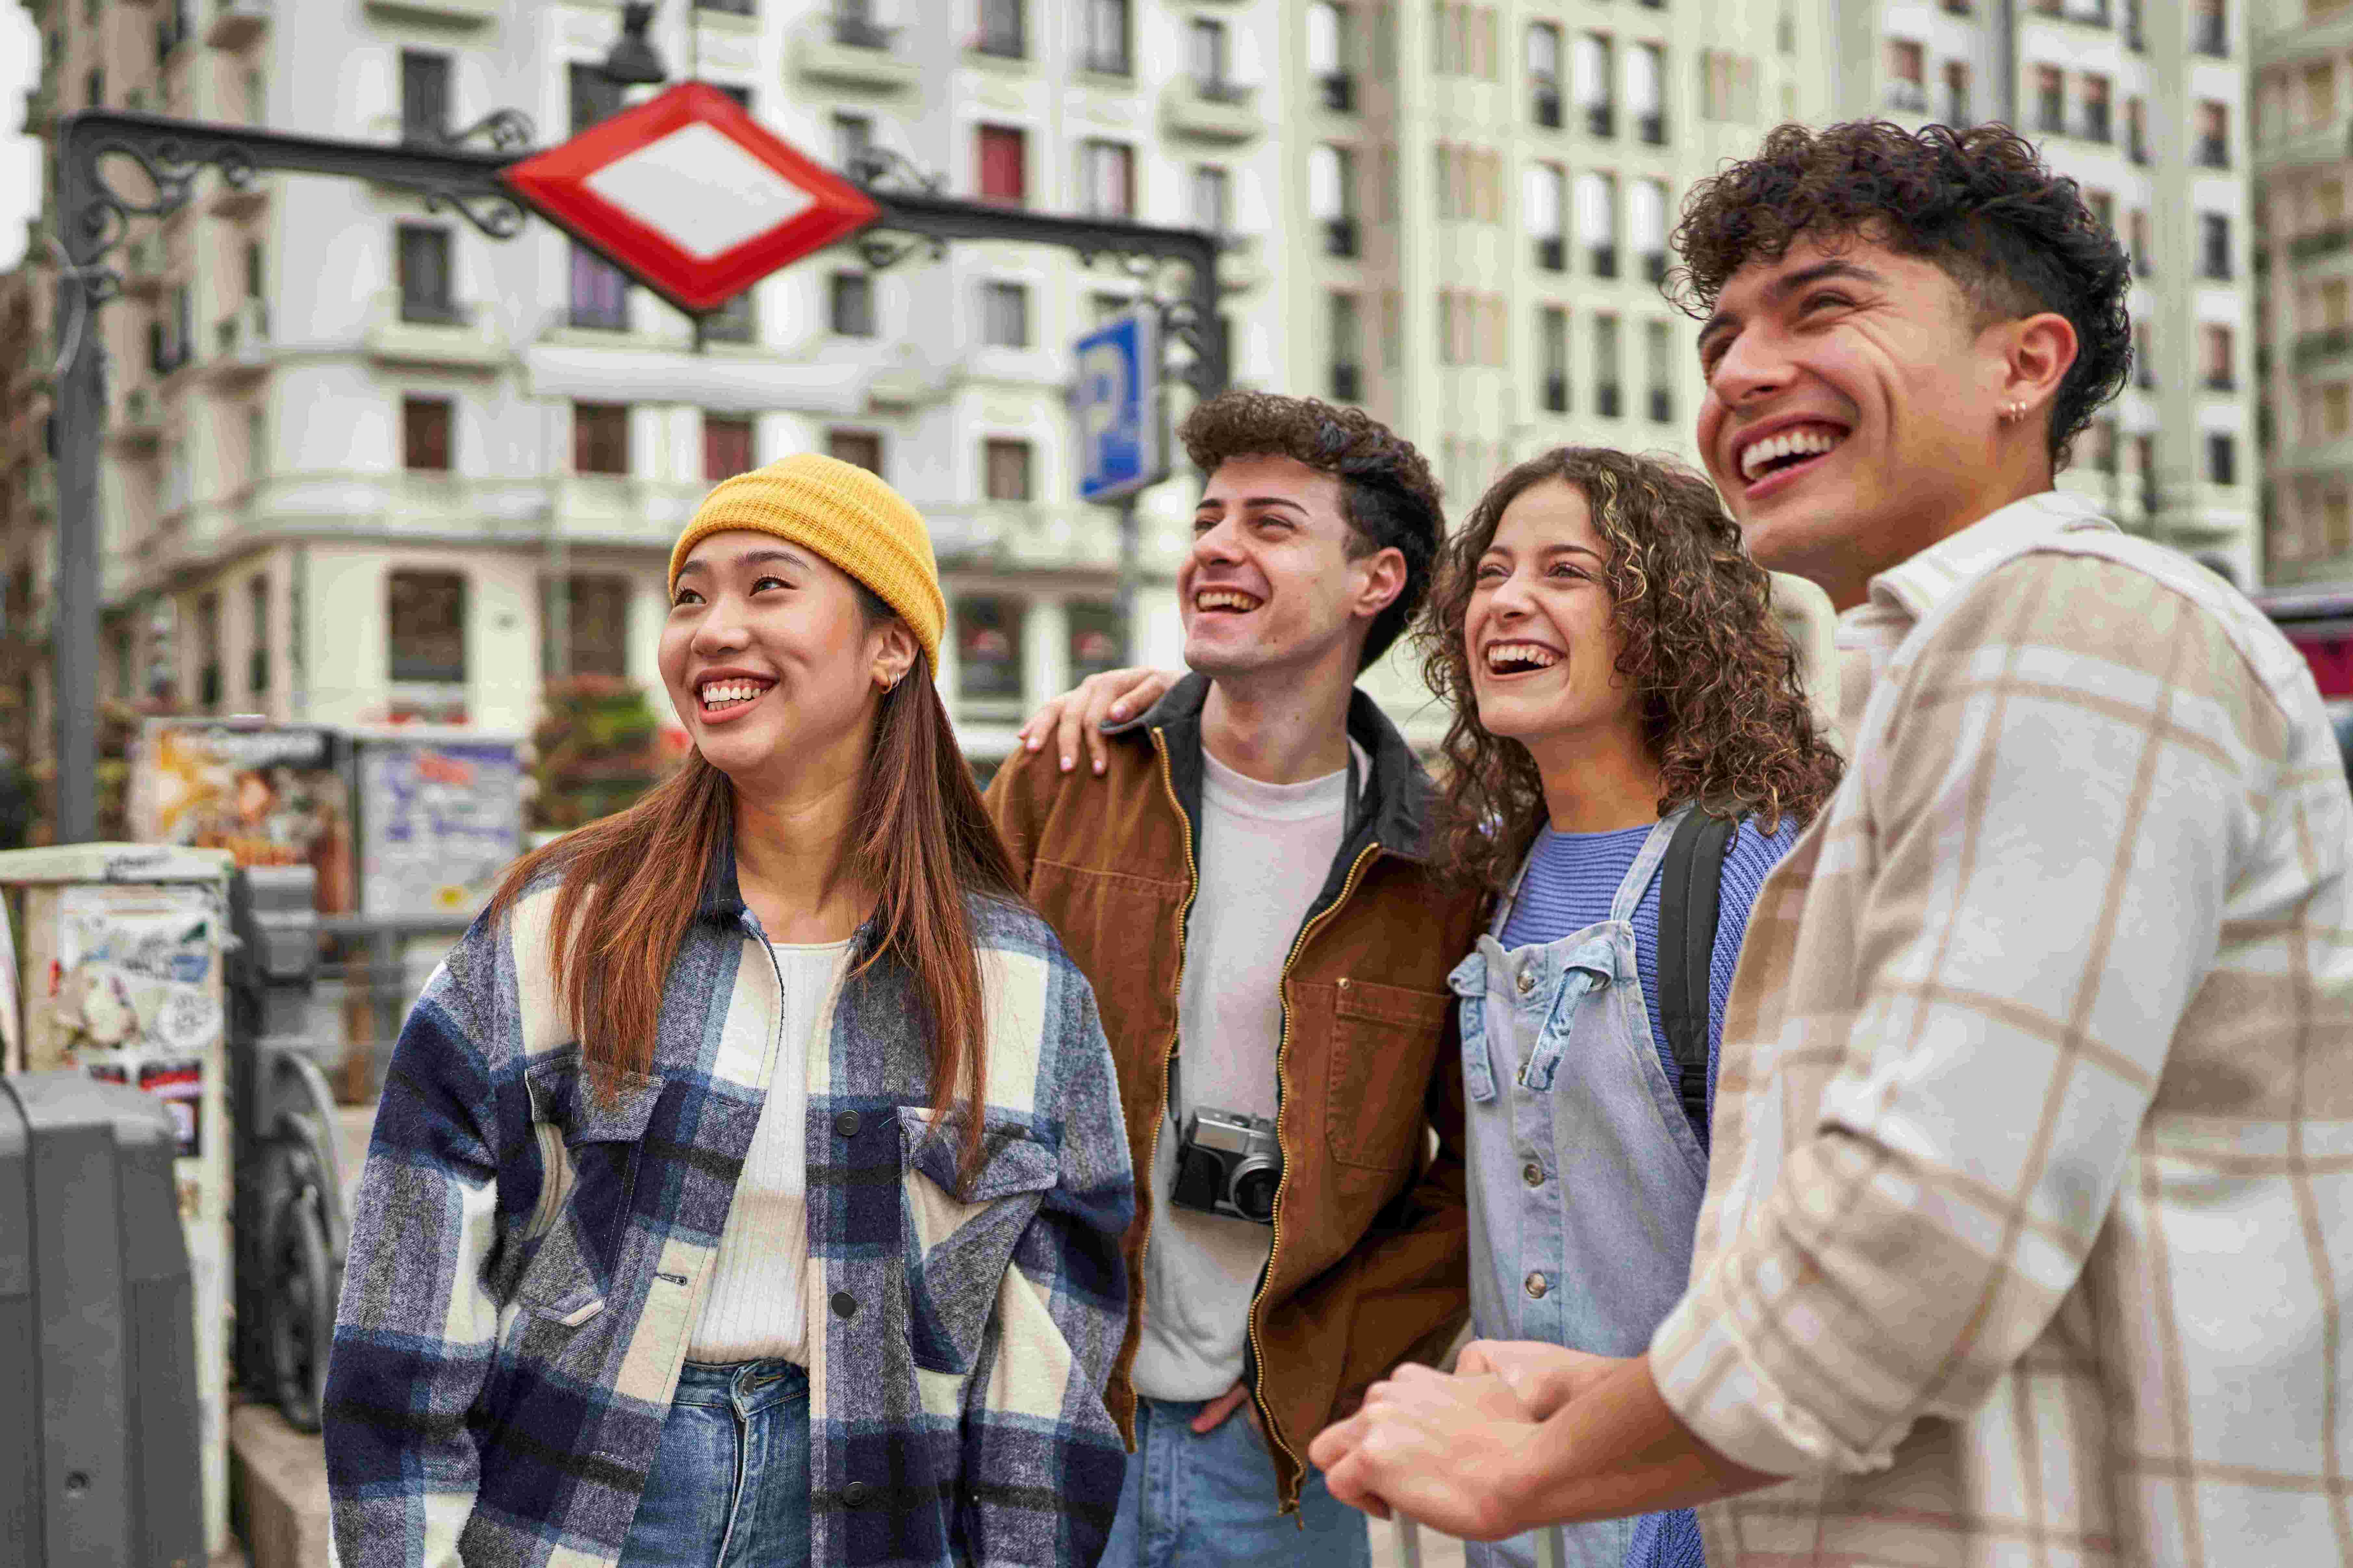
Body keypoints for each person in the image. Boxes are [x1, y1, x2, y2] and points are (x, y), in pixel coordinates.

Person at [1308, 120, 2353, 1567]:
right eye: (1722, 335)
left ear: (2022, 364)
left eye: (1825, 306)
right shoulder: (1948, 684)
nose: (1739, 373)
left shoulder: (2064, 629)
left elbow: (1916, 1234)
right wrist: (1615, 1395)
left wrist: (1539, 1469)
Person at [324, 454, 1135, 1568]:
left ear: (890, 645)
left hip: (873, 1516)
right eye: (690, 596)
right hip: (578, 1508)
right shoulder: (566, 924)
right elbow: (406, 1289)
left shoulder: (1018, 980)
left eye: (767, 586)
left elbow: (1047, 1353)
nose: (710, 631)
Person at [984, 391, 1483, 1568]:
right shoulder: (1064, 783)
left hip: (1276, 1459)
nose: (1214, 545)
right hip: (1037, 1418)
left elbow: (1475, 1173)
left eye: (1270, 523)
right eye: (1208, 518)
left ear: (1375, 581)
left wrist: (1333, 1366)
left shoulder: (1440, 865)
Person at [1420, 447, 1838, 1568]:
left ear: (1669, 623)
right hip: (1528, 1523)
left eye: (1567, 572)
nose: (1507, 600)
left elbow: (1816, 1246)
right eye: (1492, 572)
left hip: (1700, 1521)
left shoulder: (1752, 870)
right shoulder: (1494, 876)